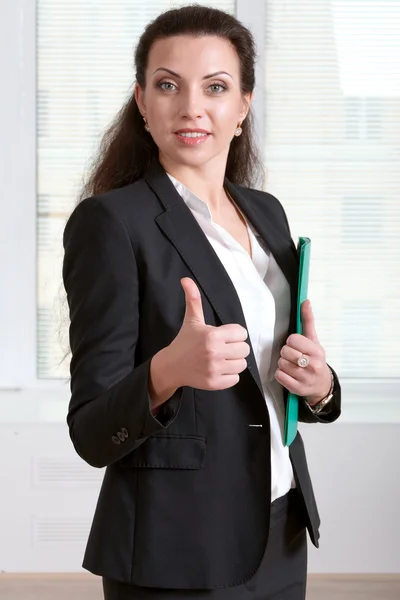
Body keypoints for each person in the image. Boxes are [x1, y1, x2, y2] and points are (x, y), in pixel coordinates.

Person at [62, 5, 341, 600]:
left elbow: (275, 377)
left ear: (243, 104)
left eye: (216, 87)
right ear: (142, 101)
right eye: (168, 85)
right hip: (177, 543)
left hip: (279, 519)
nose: (192, 107)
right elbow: (90, 431)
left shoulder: (266, 212)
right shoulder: (111, 224)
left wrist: (319, 385)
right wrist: (169, 371)